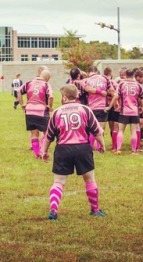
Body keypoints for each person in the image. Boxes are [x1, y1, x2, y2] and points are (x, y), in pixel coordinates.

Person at [40, 84, 105, 220]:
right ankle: (95, 209)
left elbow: (49, 136)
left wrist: (43, 151)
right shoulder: (86, 110)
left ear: (64, 97)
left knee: (58, 181)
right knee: (89, 179)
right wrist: (102, 145)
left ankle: (53, 211)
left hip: (63, 149)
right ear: (76, 96)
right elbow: (97, 131)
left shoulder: (57, 112)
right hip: (83, 148)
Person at [107, 68, 143, 154]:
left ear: (126, 75)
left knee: (121, 130)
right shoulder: (138, 85)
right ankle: (133, 151)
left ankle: (118, 149)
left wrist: (110, 106)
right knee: (133, 131)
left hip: (124, 111)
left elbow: (115, 96)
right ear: (133, 75)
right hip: (134, 111)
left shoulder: (122, 84)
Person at [18, 68, 54, 158]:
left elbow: (18, 91)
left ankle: (36, 154)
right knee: (46, 133)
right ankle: (43, 151)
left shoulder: (29, 82)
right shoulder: (46, 84)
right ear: (48, 78)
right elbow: (51, 96)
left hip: (29, 111)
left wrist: (22, 104)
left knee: (34, 134)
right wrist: (50, 106)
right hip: (41, 111)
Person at [83, 66, 113, 150]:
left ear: (89, 72)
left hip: (91, 107)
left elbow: (87, 89)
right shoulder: (105, 79)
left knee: (92, 129)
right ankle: (99, 147)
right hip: (103, 107)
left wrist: (98, 91)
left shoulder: (87, 80)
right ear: (97, 71)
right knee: (101, 129)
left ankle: (91, 147)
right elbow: (112, 91)